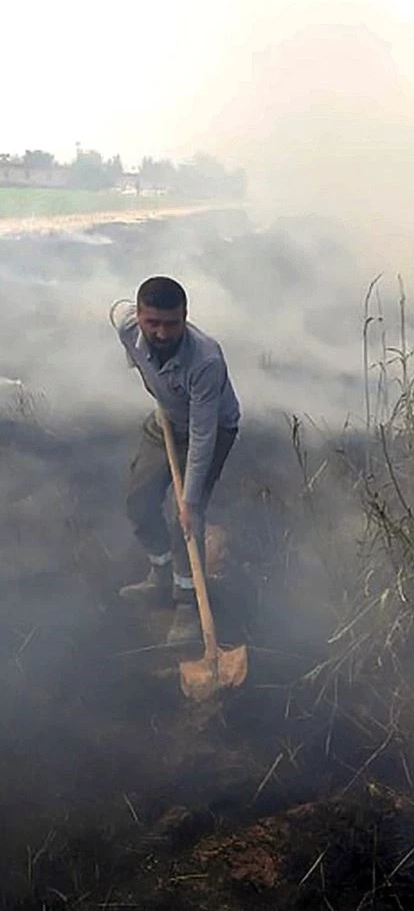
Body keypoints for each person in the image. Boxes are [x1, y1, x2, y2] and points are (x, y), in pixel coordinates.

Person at [115, 276, 241, 644]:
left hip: (211, 430)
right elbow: (115, 311)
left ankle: (188, 603)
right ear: (138, 315)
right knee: (138, 501)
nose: (162, 332)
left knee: (187, 518)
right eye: (151, 322)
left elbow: (203, 435)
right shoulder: (126, 326)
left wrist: (188, 500)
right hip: (166, 421)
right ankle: (160, 573)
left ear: (185, 316)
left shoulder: (206, 360)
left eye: (172, 323)